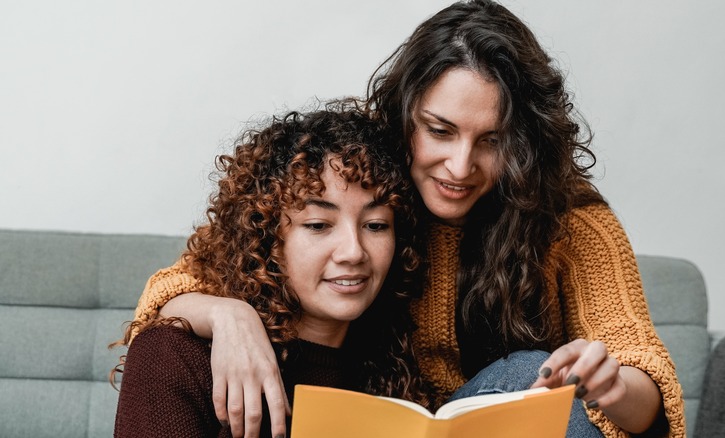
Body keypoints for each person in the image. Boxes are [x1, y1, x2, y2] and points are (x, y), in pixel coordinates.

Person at [125, 1, 685, 437]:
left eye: (492, 141)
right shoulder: (364, 174)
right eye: (440, 131)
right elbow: (191, 278)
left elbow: (645, 377)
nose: (460, 166)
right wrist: (227, 315)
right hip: (385, 414)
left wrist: (611, 386)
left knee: (532, 377)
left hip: (501, 420)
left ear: (524, 143)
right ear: (406, 115)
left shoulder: (569, 219)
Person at [112, 104, 428, 437]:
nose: (354, 252)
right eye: (318, 225)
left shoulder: (398, 366)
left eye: (376, 225)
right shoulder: (175, 356)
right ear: (265, 237)